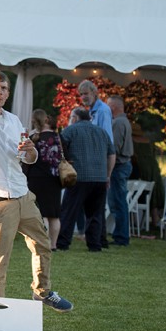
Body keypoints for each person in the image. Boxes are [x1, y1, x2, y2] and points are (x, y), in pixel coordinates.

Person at [0, 40, 72, 311]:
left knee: (43, 244)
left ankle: (42, 291)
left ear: (8, 93)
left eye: (3, 88)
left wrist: (30, 150)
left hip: (23, 196)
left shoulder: (13, 120)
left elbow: (28, 158)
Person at [57, 105, 114, 252]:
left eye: (71, 117)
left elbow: (59, 146)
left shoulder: (71, 130)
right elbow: (112, 154)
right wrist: (108, 175)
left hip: (79, 177)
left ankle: (62, 242)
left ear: (75, 118)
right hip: (100, 178)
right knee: (95, 213)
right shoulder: (102, 132)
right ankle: (95, 244)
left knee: (69, 211)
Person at [21, 108, 65, 251]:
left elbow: (27, 160)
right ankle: (53, 245)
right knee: (54, 214)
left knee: (40, 213)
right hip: (55, 178)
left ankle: (43, 242)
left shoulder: (34, 138)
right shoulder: (59, 138)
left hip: (37, 178)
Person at [106, 96, 134, 247]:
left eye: (108, 106)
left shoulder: (118, 123)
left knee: (118, 203)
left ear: (113, 107)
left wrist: (108, 169)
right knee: (119, 202)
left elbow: (114, 148)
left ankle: (121, 237)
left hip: (119, 166)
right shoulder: (125, 121)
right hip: (124, 165)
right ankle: (120, 235)